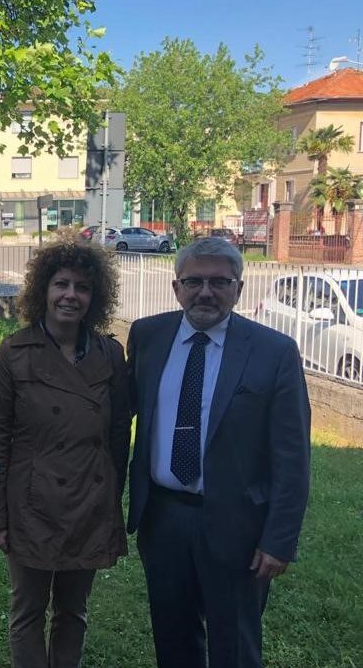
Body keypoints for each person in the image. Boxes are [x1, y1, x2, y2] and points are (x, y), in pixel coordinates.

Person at [127, 237, 310, 668]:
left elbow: (292, 456)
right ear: (176, 288)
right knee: (173, 640)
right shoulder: (148, 336)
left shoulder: (273, 352)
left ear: (239, 288)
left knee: (235, 645)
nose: (205, 292)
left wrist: (279, 539)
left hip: (238, 526)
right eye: (193, 281)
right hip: (163, 519)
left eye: (219, 282)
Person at [0, 237, 130, 668]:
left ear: (94, 296)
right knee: (26, 612)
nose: (70, 295)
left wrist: (110, 501)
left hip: (89, 502)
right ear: (42, 290)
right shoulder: (13, 353)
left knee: (74, 611)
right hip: (31, 504)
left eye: (82, 287)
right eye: (61, 284)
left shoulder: (110, 354)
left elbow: (120, 434)